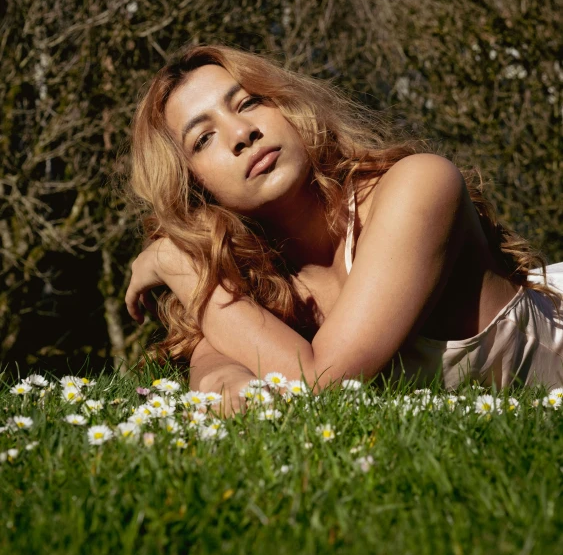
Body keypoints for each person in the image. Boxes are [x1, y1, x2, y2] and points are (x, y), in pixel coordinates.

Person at [125, 44, 563, 416]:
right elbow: (219, 350)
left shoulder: (420, 186)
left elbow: (320, 383)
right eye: (203, 139)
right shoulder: (253, 269)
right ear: (193, 187)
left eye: (249, 102)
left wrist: (180, 267)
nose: (241, 133)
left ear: (287, 105)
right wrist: (223, 377)